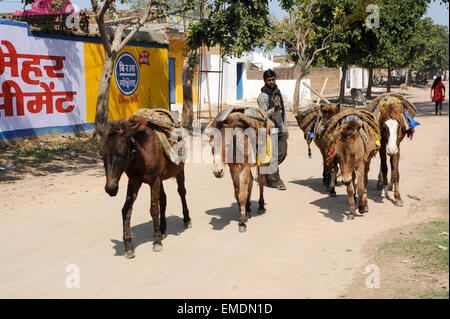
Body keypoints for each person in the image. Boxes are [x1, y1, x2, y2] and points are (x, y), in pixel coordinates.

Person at [257, 69, 288, 190]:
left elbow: (283, 112)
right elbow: (263, 115)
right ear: (265, 81)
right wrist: (273, 110)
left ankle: (266, 169)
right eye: (269, 80)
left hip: (280, 128)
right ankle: (276, 181)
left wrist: (285, 128)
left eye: (273, 79)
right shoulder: (263, 96)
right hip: (270, 130)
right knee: (274, 155)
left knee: (283, 153)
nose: (271, 82)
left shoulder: (277, 93)